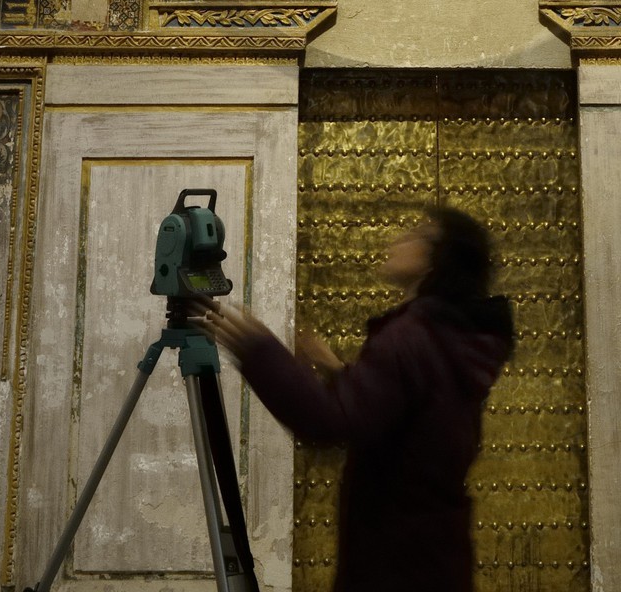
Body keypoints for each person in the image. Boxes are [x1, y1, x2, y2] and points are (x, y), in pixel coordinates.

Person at [196, 205, 514, 592]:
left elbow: (330, 422)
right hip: (434, 550)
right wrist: (340, 371)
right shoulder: (451, 335)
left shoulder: (409, 336)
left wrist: (259, 351)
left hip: (392, 559)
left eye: (415, 233)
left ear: (437, 258)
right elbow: (413, 414)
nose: (399, 240)